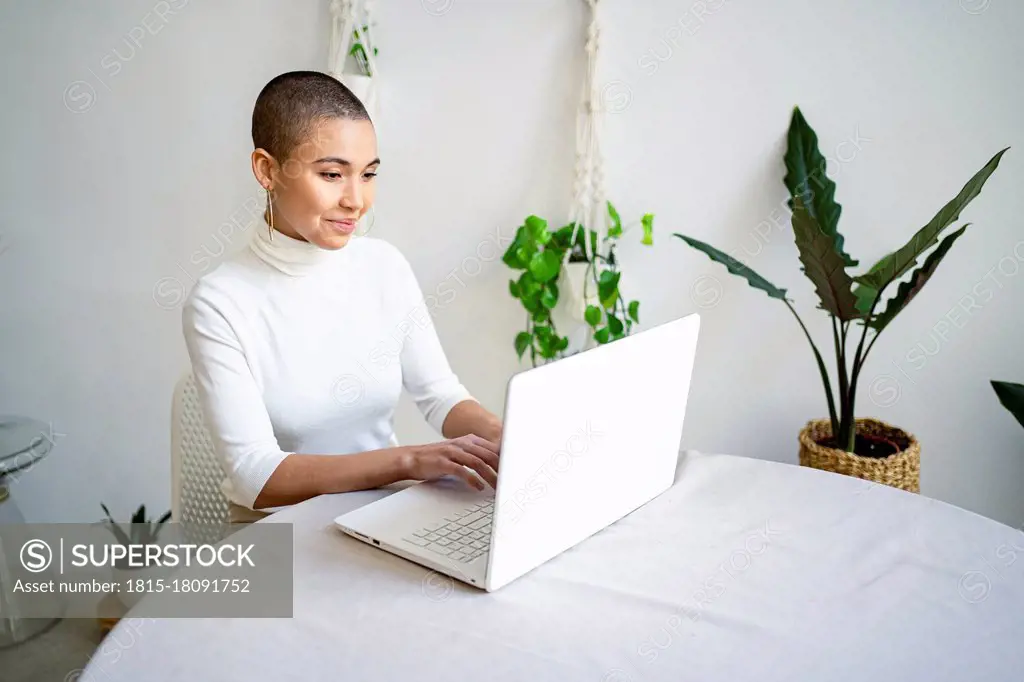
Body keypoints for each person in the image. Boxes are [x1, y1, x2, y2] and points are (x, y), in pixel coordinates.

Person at [182, 71, 503, 523]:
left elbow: (440, 396)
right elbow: (257, 476)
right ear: (267, 169)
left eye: (368, 175)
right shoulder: (219, 302)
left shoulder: (383, 266)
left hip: (383, 514)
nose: (357, 200)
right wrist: (408, 462)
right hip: (279, 531)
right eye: (332, 174)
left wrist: (504, 439)